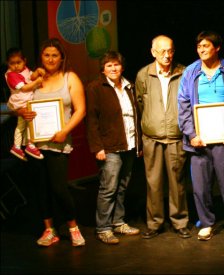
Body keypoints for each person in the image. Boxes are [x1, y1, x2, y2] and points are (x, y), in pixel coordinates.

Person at [16, 38, 86, 247]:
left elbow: (80, 110)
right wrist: (22, 112)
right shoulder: (33, 78)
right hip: (34, 144)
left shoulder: (69, 78)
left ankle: (73, 228)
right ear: (41, 57)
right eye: (46, 55)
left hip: (58, 141)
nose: (50, 59)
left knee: (58, 188)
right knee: (41, 189)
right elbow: (17, 102)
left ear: (61, 57)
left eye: (55, 55)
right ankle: (49, 230)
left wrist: (65, 131)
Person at [178, 30, 224, 241]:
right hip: (199, 138)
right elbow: (183, 104)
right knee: (200, 185)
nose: (201, 50)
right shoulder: (190, 72)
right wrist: (191, 134)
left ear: (217, 48)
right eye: (199, 47)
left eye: (206, 46)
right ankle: (206, 223)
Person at [135, 35, 190, 239]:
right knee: (153, 182)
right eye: (162, 51)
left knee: (178, 182)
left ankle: (179, 221)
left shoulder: (184, 73)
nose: (167, 55)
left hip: (176, 137)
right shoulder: (143, 75)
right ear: (153, 52)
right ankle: (155, 222)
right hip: (153, 138)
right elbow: (140, 103)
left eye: (170, 51)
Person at [86, 51, 141, 244]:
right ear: (103, 69)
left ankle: (118, 222)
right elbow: (91, 120)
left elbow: (135, 116)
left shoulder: (129, 86)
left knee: (122, 186)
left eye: (116, 64)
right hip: (108, 147)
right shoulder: (95, 88)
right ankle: (103, 228)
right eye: (108, 65)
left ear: (122, 67)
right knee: (108, 188)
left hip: (129, 143)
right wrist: (97, 148)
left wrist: (138, 144)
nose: (113, 68)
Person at [4, 47, 45, 161]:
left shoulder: (24, 70)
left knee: (25, 124)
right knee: (29, 122)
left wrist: (37, 72)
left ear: (24, 61)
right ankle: (27, 145)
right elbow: (26, 87)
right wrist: (37, 82)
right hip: (21, 101)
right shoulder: (11, 75)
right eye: (12, 63)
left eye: (18, 62)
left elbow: (30, 77)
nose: (16, 66)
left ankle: (20, 146)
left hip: (27, 101)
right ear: (8, 63)